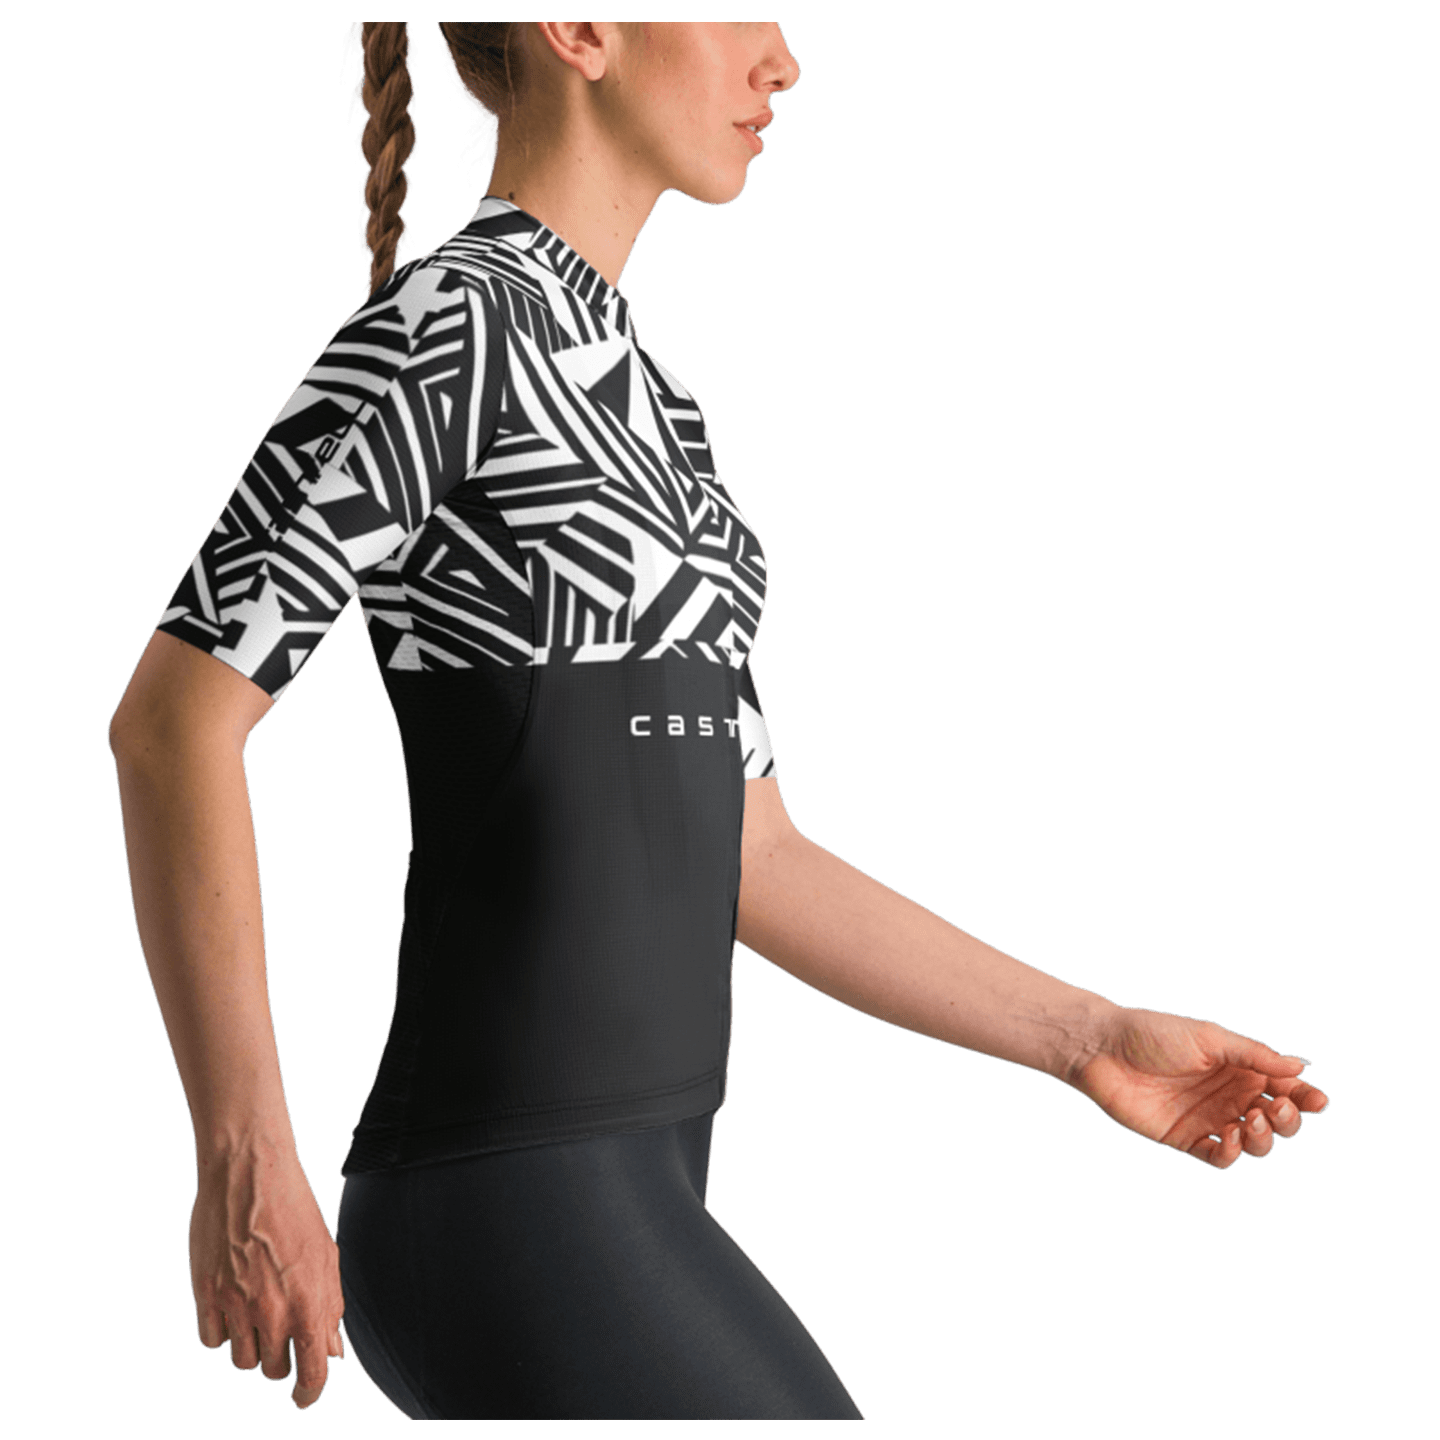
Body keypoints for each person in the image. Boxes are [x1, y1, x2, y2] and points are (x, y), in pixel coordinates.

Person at [107, 21, 1332, 1421]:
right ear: (580, 32)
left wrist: (1089, 1035)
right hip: (501, 1188)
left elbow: (756, 852)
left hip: (627, 1181)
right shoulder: (443, 334)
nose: (783, 59)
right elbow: (175, 724)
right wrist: (244, 1156)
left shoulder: (658, 412)